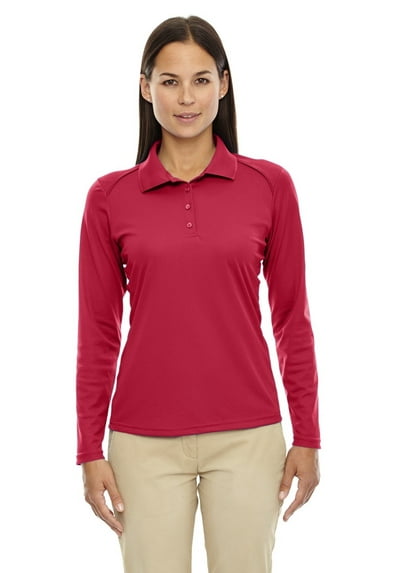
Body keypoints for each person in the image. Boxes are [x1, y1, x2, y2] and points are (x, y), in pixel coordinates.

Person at [76, 15, 321, 573]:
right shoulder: (109, 198)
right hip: (142, 441)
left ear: (223, 84)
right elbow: (97, 332)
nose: (186, 97)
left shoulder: (270, 186)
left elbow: (291, 319)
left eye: (201, 80)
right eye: (170, 81)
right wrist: (89, 448)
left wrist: (307, 434)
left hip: (248, 436)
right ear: (146, 88)